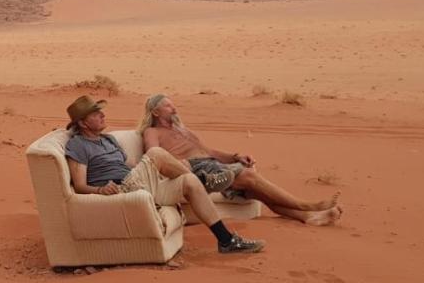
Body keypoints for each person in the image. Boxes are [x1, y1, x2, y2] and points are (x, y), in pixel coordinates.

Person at [63, 95, 266, 254]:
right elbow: (80, 185)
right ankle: (205, 179)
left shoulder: (108, 140)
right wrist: (100, 189)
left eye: (100, 111)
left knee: (188, 181)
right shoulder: (78, 145)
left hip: (137, 182)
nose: (102, 115)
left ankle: (226, 241)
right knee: (155, 153)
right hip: (121, 188)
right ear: (82, 123)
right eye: (95, 113)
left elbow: (127, 165)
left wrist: (147, 168)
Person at [139, 94, 342, 226]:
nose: (174, 108)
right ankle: (307, 205)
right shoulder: (152, 131)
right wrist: (177, 163)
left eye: (173, 104)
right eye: (167, 106)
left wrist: (235, 157)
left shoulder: (183, 130)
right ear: (156, 112)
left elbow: (209, 151)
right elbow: (153, 155)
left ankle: (306, 217)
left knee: (254, 189)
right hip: (194, 170)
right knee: (249, 176)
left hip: (213, 164)